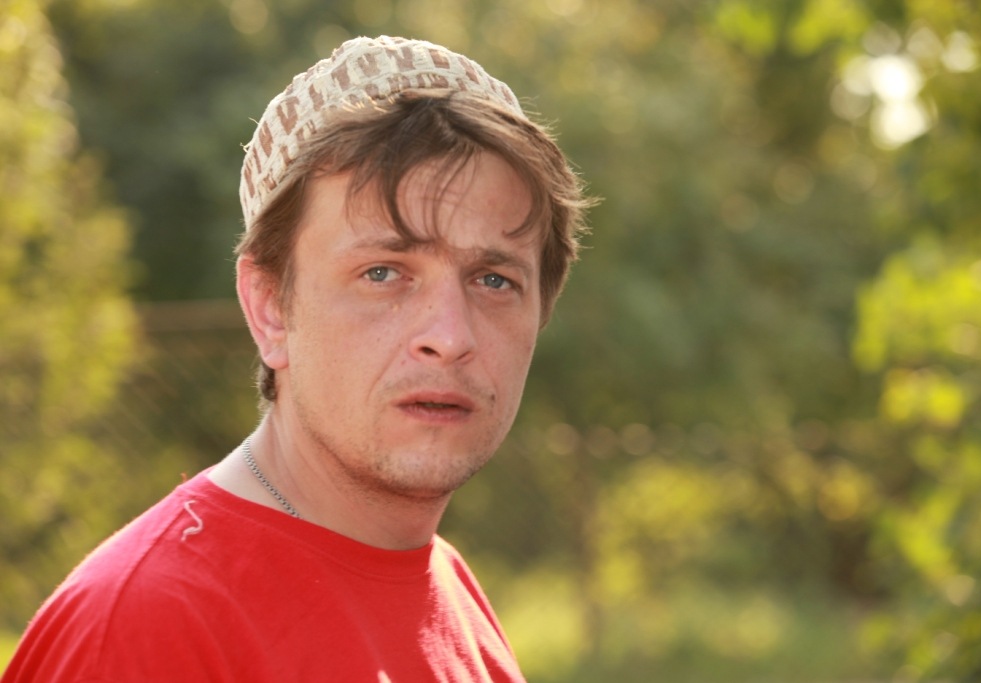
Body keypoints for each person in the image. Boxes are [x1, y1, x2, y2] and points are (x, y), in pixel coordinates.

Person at [2, 35, 591, 682]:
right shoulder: (144, 627)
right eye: (383, 272)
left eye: (494, 280)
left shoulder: (447, 587)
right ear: (270, 308)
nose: (449, 335)